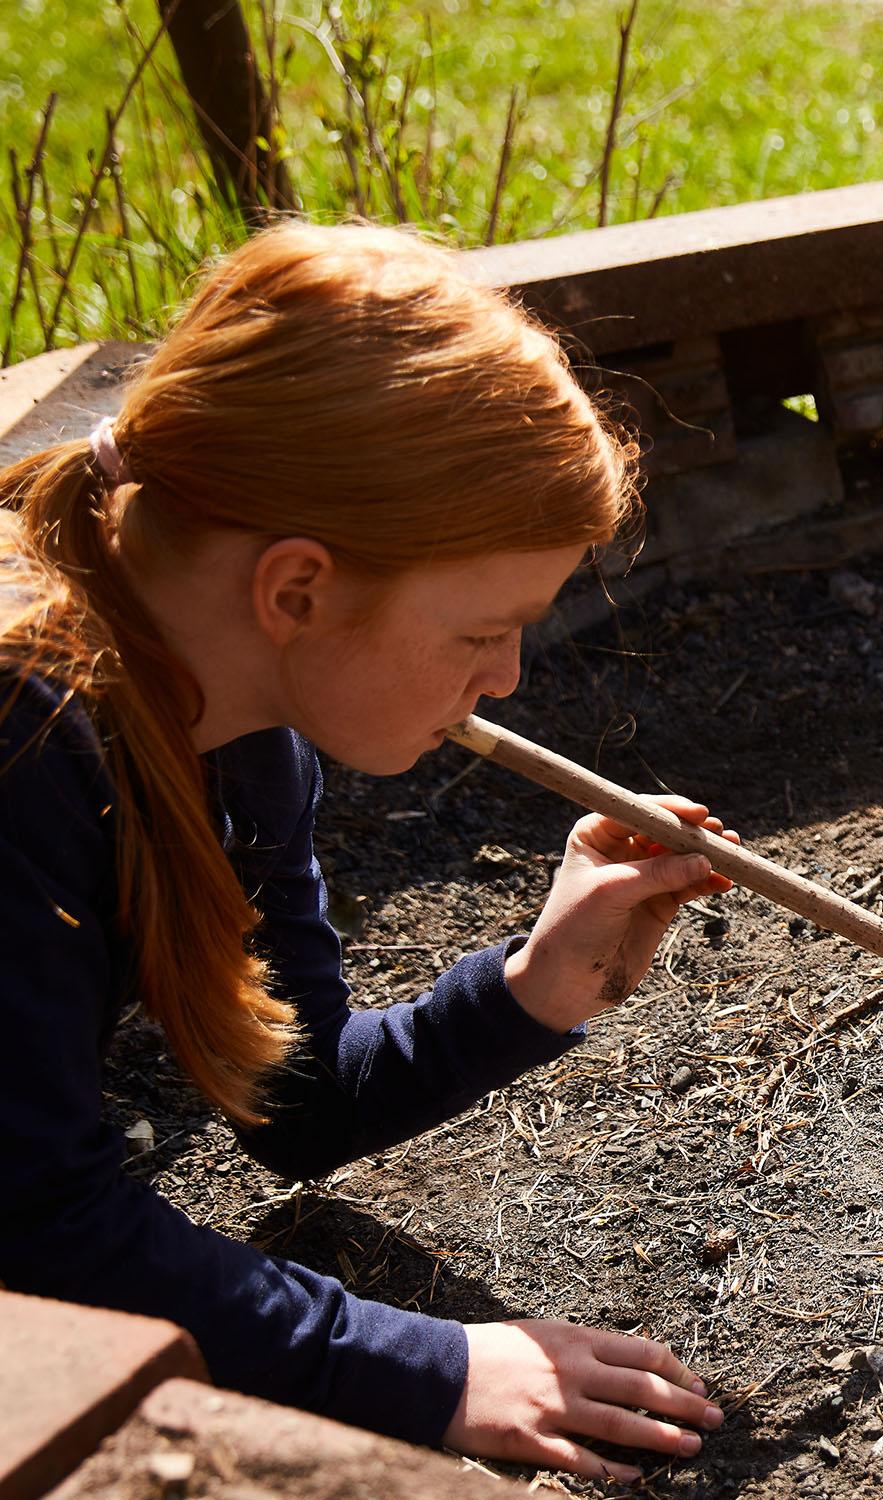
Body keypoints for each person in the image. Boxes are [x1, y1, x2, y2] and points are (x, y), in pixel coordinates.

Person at [0, 221, 737, 1484]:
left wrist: (535, 985)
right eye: (481, 631)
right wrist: (428, 1367)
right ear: (297, 590)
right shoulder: (23, 753)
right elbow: (40, 1235)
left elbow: (294, 1100)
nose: (505, 679)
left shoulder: (240, 734)